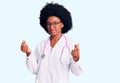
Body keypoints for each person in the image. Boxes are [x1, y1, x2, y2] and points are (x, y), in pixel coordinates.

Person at [20, 2, 83, 83]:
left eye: (55, 23)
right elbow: (34, 70)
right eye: (48, 24)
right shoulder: (41, 45)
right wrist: (28, 53)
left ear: (62, 24)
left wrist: (76, 59)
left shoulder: (71, 45)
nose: (51, 27)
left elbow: (78, 72)